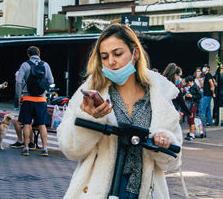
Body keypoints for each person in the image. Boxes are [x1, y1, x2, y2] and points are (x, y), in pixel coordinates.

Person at [57, 24, 182, 199]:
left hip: (145, 191)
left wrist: (164, 140)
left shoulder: (159, 96)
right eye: (104, 56)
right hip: (99, 191)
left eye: (117, 54)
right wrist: (88, 118)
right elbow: (70, 149)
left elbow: (174, 161)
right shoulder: (91, 93)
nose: (111, 62)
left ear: (135, 53)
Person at [16, 46, 54, 156]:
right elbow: (51, 81)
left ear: (28, 55)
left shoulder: (25, 64)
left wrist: (20, 95)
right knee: (42, 124)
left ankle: (26, 147)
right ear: (39, 54)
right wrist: (44, 91)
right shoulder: (45, 65)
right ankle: (45, 149)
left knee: (27, 123)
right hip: (41, 99)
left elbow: (19, 81)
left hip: (27, 98)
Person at [184, 76, 202, 140]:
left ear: (191, 81)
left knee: (191, 119)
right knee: (189, 119)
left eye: (188, 82)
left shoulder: (195, 87)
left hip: (194, 105)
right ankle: (191, 133)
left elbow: (199, 96)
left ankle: (192, 134)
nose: (187, 84)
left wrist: (191, 96)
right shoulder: (191, 87)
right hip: (190, 105)